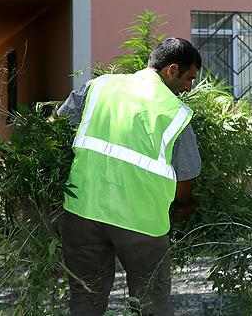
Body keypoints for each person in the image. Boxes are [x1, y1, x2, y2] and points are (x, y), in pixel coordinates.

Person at [58, 38, 203, 315]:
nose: (189, 87)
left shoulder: (98, 86)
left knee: (85, 299)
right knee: (152, 302)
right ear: (172, 70)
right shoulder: (175, 113)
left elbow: (58, 124)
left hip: (83, 212)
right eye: (189, 78)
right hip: (141, 223)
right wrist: (186, 205)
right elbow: (184, 181)